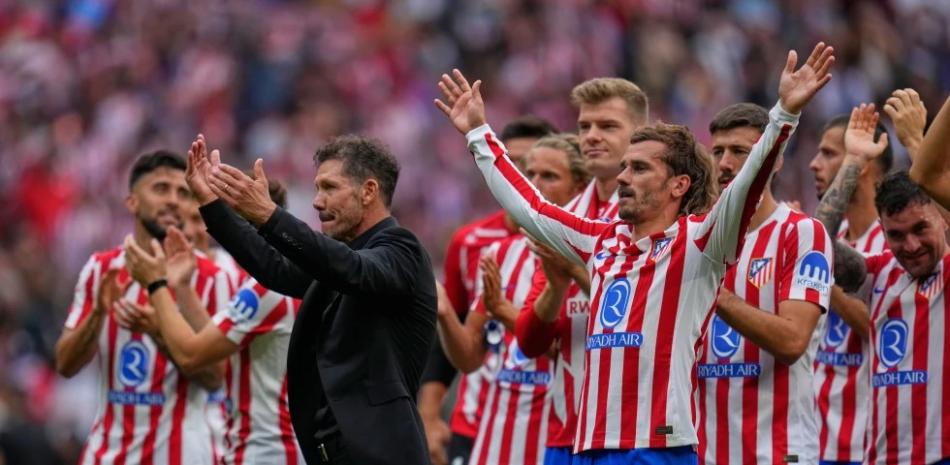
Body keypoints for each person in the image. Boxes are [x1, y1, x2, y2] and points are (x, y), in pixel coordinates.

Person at [434, 42, 833, 463]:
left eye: (639, 168)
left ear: (679, 185)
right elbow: (529, 208)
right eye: (625, 166)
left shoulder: (699, 243)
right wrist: (478, 133)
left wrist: (784, 114)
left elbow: (747, 185)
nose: (623, 177)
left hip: (659, 445)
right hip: (589, 445)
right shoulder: (600, 240)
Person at [187, 133, 437, 464]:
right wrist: (211, 204)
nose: (317, 201)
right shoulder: (341, 262)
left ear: (369, 191)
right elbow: (277, 268)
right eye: (317, 188)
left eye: (330, 188)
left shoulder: (402, 250)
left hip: (382, 453)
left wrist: (268, 214)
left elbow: (351, 269)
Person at [123, 139, 303, 465]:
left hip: (269, 451)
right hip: (251, 447)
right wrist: (182, 287)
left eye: (215, 220)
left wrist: (157, 284)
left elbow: (194, 355)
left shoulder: (265, 289)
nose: (203, 231)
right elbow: (219, 345)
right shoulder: (281, 280)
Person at [53, 151, 229, 465]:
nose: (174, 200)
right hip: (108, 455)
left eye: (182, 192)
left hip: (185, 455)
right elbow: (65, 365)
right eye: (161, 189)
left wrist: (158, 331)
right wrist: (96, 314)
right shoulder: (100, 269)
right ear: (132, 202)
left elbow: (216, 378)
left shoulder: (210, 277)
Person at [513, 77, 649, 465]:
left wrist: (574, 270)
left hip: (635, 432)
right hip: (567, 433)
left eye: (607, 126)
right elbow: (529, 342)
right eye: (584, 126)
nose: (591, 136)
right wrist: (555, 288)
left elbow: (644, 321)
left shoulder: (659, 217)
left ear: (639, 134)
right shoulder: (564, 220)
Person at [437, 134, 591, 465]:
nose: (534, 184)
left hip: (558, 439)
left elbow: (560, 349)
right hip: (495, 440)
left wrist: (505, 311)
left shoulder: (588, 261)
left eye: (548, 176)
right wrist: (445, 313)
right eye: (529, 174)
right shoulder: (501, 254)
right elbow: (469, 359)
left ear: (580, 188)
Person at [693, 103, 832, 464]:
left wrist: (718, 296)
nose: (725, 163)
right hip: (706, 452)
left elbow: (792, 341)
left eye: (740, 151)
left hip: (779, 452)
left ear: (776, 160)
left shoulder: (801, 233)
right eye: (718, 151)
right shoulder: (694, 237)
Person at [421, 116, 556, 465]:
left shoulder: (573, 246)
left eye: (534, 168)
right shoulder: (471, 243)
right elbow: (453, 332)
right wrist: (430, 412)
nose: (522, 177)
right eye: (508, 164)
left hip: (548, 419)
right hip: (475, 418)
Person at [809, 102, 907, 465]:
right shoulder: (836, 241)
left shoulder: (899, 246)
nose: (813, 163)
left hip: (866, 443)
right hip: (814, 442)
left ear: (861, 164)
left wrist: (817, 278)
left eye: (829, 153)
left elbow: (885, 329)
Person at [829, 171, 950, 465]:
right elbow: (818, 248)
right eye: (896, 234)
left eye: (920, 228)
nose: (910, 246)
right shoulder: (879, 271)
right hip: (881, 457)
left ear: (943, 218)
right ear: (882, 230)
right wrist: (852, 162)